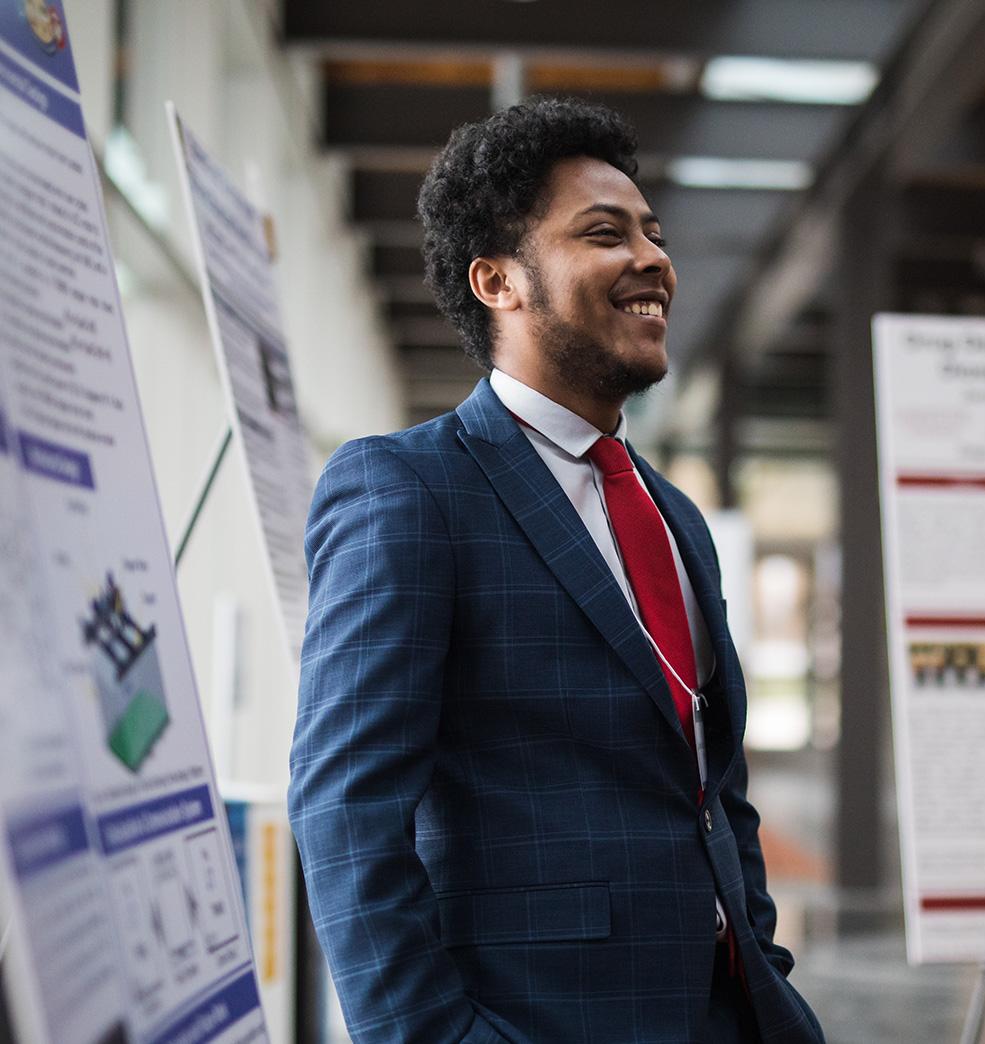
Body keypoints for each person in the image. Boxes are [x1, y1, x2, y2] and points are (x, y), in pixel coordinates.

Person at [289, 97, 825, 1044]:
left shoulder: (674, 515)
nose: (653, 259)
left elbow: (713, 784)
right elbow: (346, 806)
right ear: (499, 281)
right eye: (604, 234)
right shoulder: (409, 489)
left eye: (654, 235)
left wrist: (760, 967)